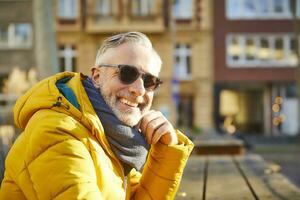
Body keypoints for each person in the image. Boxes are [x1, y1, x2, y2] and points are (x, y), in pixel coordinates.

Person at [0, 32, 194, 199]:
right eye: (127, 73)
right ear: (97, 77)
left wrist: (166, 152)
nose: (139, 90)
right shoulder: (58, 131)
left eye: (150, 81)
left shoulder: (111, 137)